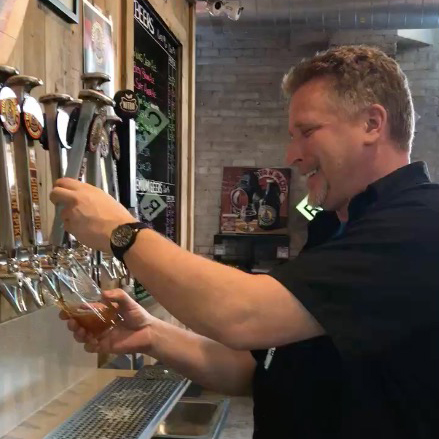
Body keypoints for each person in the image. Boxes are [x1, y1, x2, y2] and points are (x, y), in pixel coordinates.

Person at [50, 45, 439, 439]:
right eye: (293, 137)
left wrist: (122, 232)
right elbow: (255, 371)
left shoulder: (421, 225)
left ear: (372, 124)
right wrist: (150, 334)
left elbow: (242, 315)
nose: (292, 155)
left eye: (307, 132)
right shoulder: (334, 228)